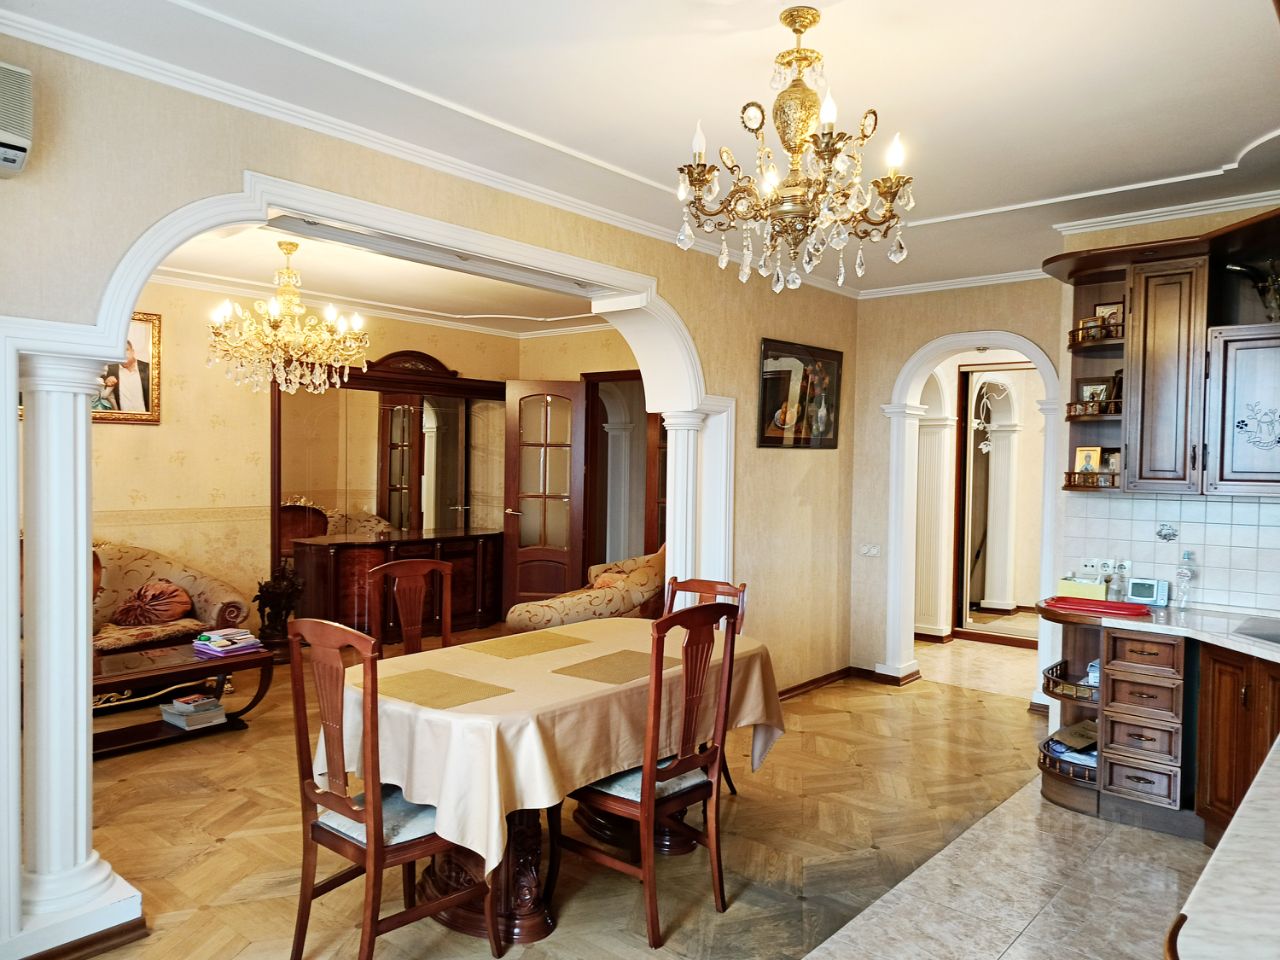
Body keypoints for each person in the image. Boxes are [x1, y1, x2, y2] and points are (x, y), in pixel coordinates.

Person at [103, 340, 150, 412]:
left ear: (132, 351)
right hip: (124, 417)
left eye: (126, 350)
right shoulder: (110, 370)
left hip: (145, 416)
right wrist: (108, 384)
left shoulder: (148, 368)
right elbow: (101, 395)